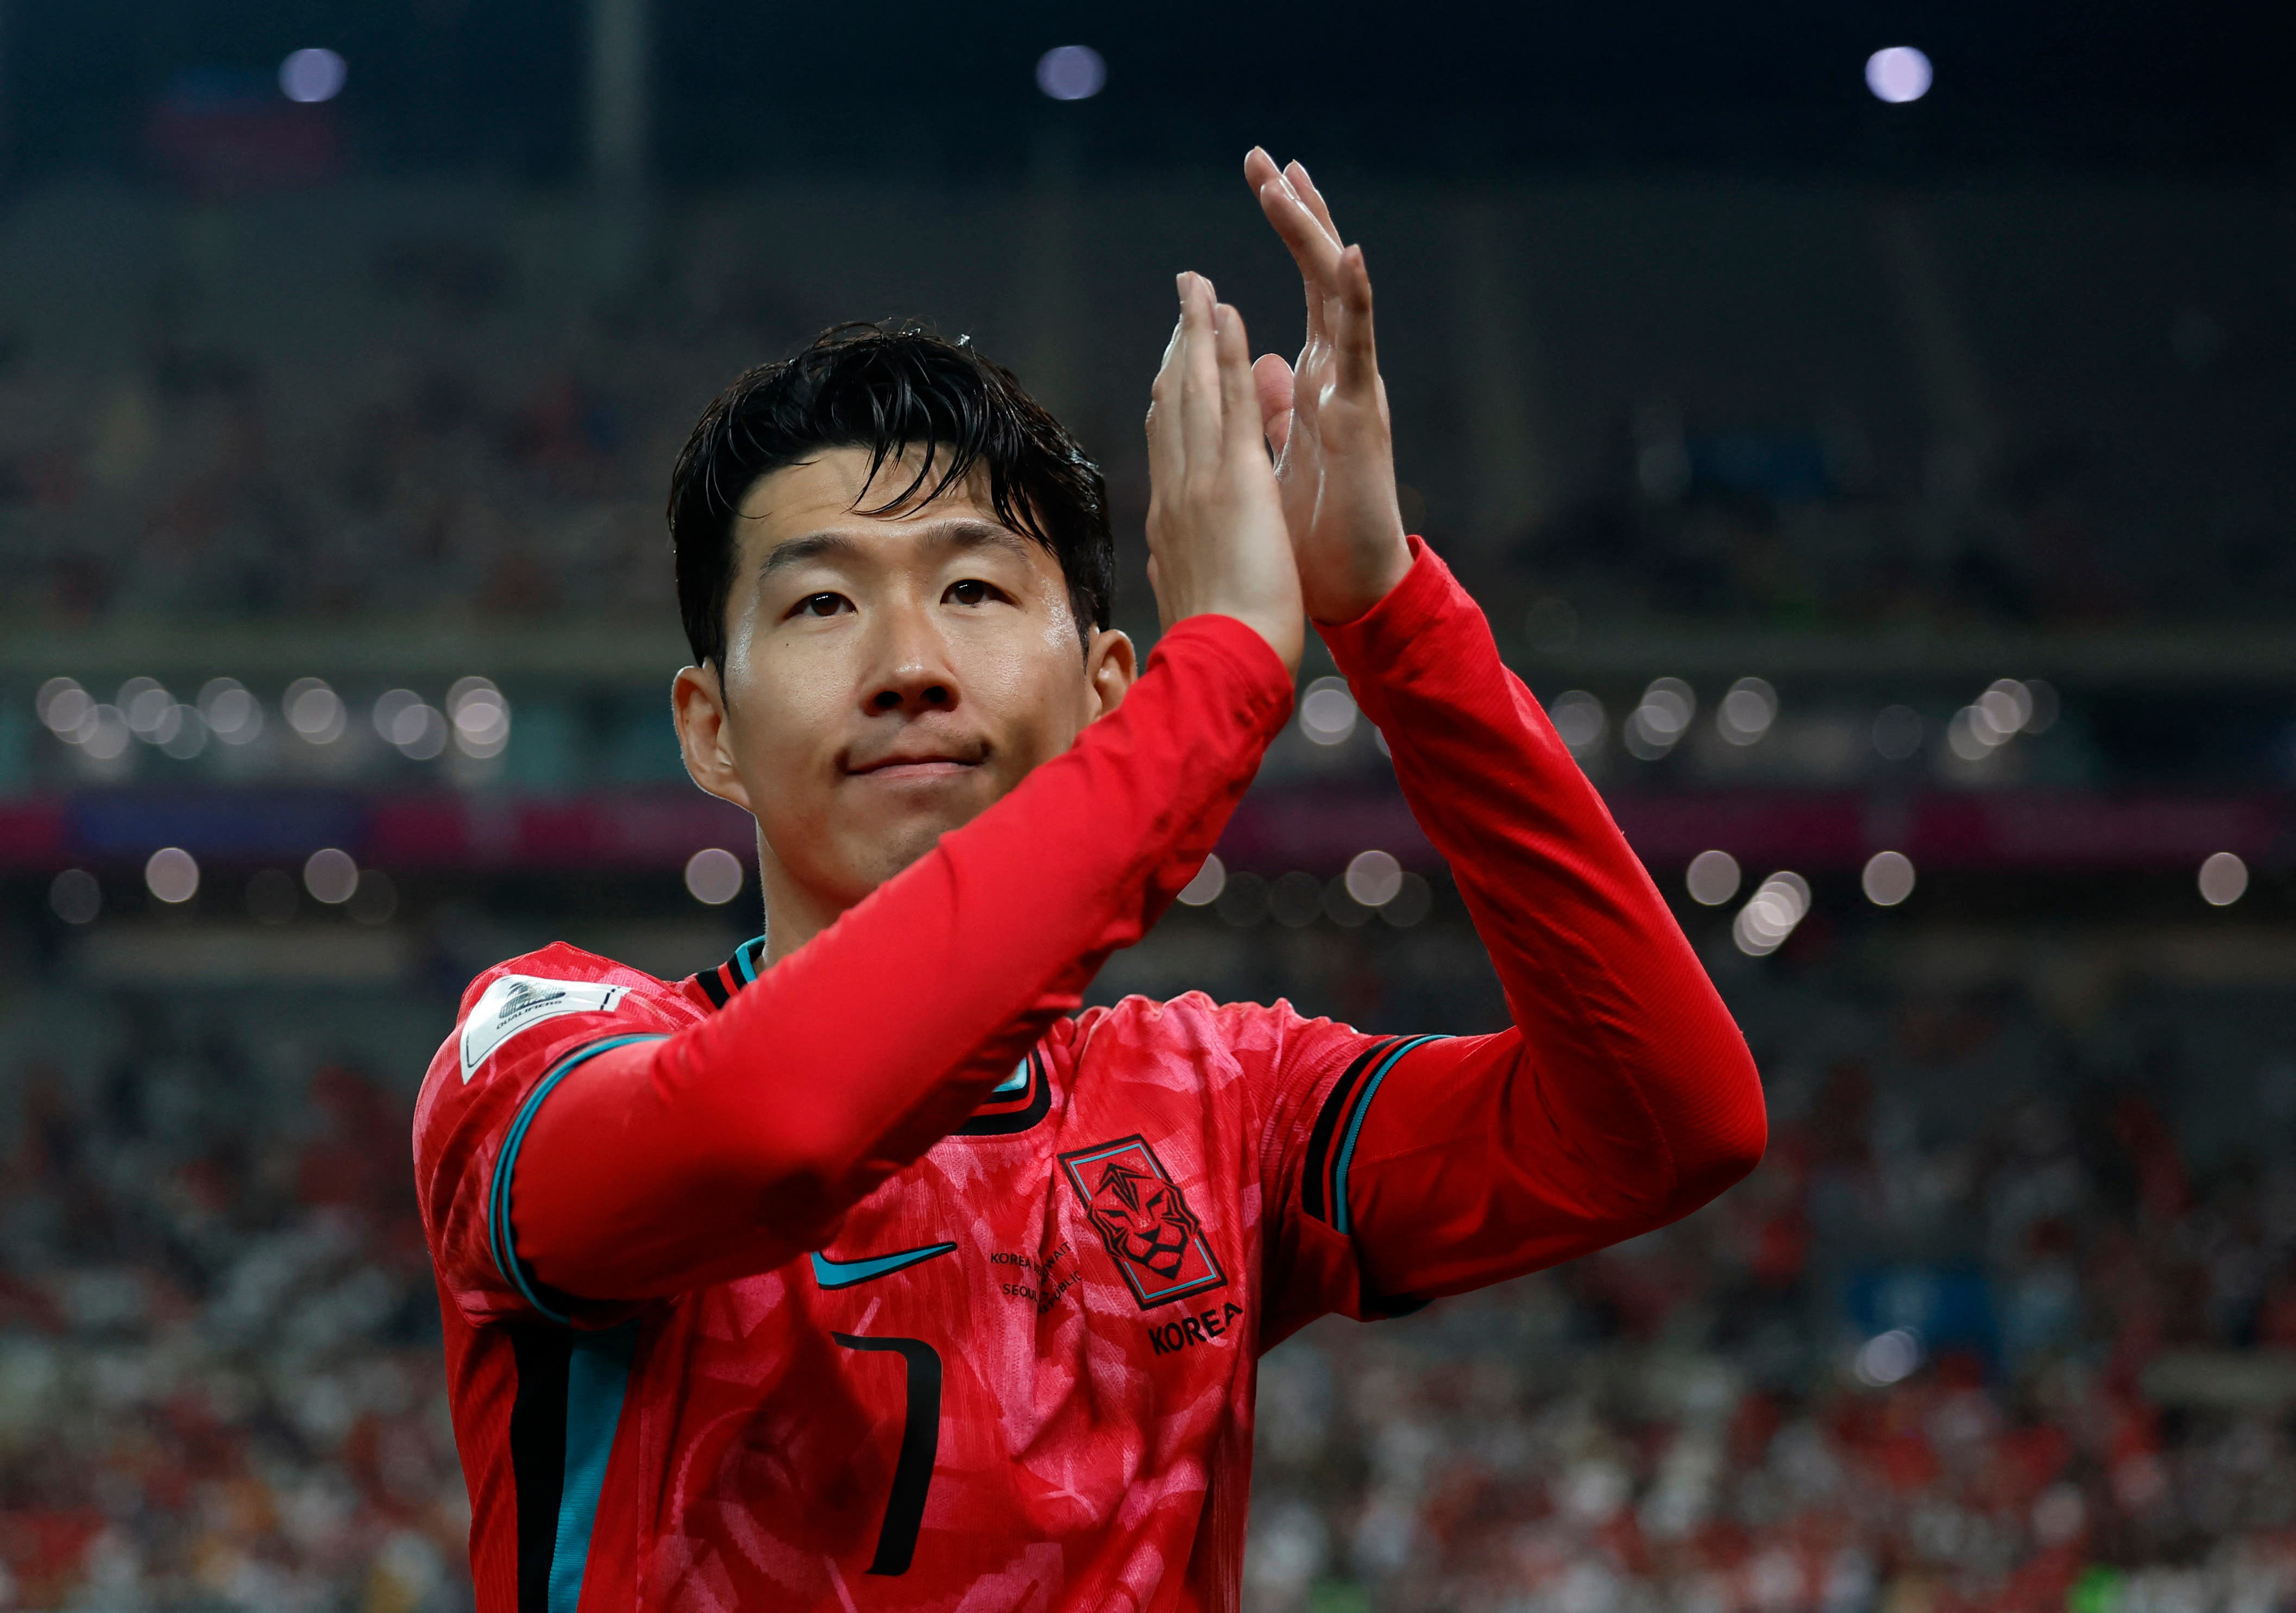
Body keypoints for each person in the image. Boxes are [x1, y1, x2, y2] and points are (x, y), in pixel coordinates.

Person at [413, 149, 1765, 1612]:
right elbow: (776, 1133)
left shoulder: (1222, 1108)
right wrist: (1224, 677)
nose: (910, 666)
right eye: (820, 602)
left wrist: (1391, 615)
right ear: (709, 730)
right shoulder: (536, 1051)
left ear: (1106, 691)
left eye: (974, 589)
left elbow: (1666, 1127)